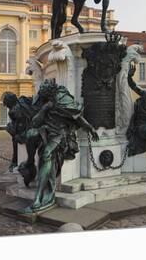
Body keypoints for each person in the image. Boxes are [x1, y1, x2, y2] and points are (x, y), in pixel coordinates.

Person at [19, 79, 99, 213]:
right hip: (46, 130)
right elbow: (35, 122)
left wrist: (90, 128)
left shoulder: (63, 98)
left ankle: (39, 197)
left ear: (49, 92)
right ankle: (30, 163)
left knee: (46, 154)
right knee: (30, 135)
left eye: (43, 93)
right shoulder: (43, 101)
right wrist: (45, 108)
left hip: (60, 134)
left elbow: (77, 117)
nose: (40, 96)